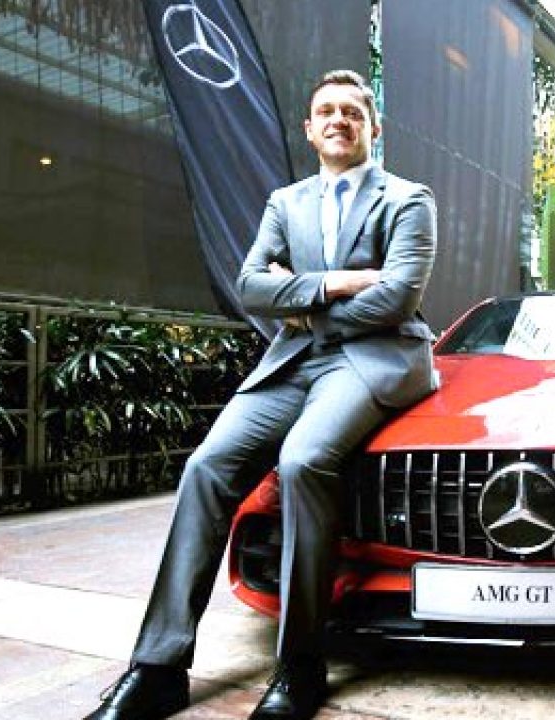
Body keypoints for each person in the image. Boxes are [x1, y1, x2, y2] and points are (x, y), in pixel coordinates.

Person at [86, 69, 438, 720]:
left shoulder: (408, 199)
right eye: (326, 111)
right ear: (309, 129)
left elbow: (397, 297)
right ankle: (158, 667)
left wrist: (298, 300)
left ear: (374, 127)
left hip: (374, 357)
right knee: (205, 467)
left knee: (304, 461)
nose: (338, 120)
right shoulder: (286, 203)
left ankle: (301, 665)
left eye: (352, 112)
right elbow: (249, 285)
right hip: (293, 360)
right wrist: (337, 283)